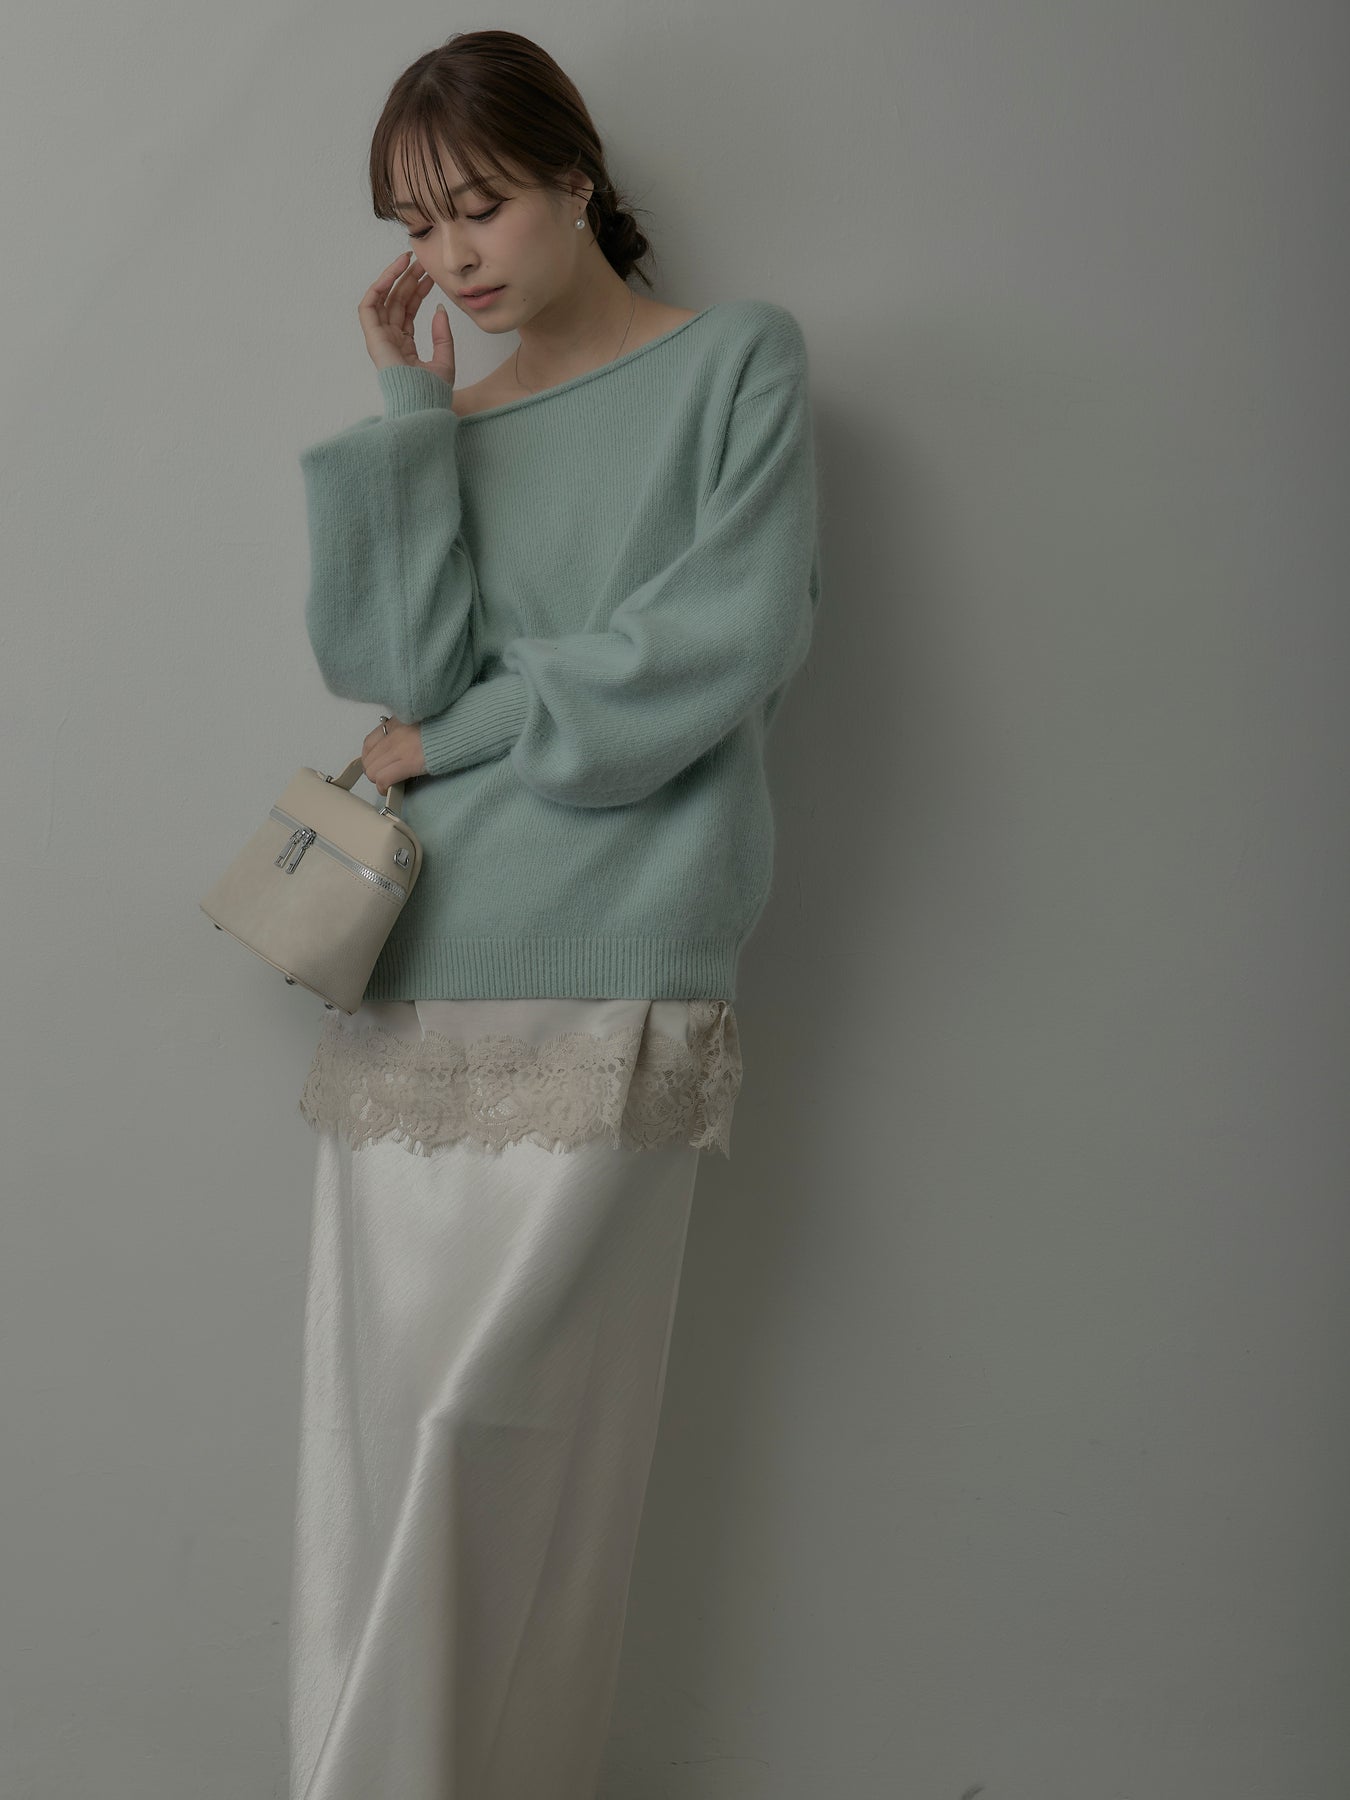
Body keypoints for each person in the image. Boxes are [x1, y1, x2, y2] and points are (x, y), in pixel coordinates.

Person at [286, 27, 822, 1800]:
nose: (450, 257)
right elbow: (395, 666)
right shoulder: (455, 422)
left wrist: (460, 738)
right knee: (385, 1439)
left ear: (577, 176)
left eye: (480, 206)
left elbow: (718, 646)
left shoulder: (735, 361)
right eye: (413, 227)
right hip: (425, 965)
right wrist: (405, 412)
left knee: (512, 1438)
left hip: (625, 953)